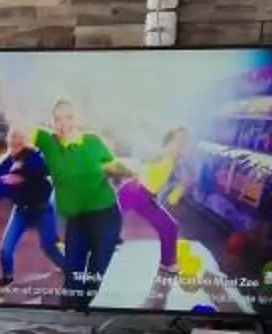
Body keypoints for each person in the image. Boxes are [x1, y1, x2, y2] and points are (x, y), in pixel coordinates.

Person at [41, 100, 131, 294]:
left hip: (106, 216)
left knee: (93, 278)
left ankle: (84, 311)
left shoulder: (93, 141)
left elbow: (113, 167)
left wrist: (128, 171)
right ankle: (69, 316)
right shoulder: (48, 142)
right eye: (58, 119)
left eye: (69, 117)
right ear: (52, 122)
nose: (64, 123)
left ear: (77, 118)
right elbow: (14, 119)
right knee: (72, 278)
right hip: (76, 220)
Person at [117, 123, 195, 309]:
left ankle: (167, 264)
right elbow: (148, 155)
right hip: (134, 191)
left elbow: (179, 183)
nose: (183, 143)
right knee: (108, 221)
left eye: (185, 140)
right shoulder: (166, 152)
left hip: (145, 196)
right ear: (171, 141)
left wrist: (181, 187)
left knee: (170, 226)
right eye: (179, 139)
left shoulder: (176, 159)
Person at [0, 129, 58, 284]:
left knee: (49, 247)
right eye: (12, 143)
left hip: (42, 209)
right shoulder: (5, 163)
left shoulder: (36, 158)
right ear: (8, 143)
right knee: (5, 250)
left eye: (19, 143)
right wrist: (3, 181)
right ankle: (8, 276)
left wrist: (23, 176)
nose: (15, 146)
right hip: (21, 211)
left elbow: (44, 173)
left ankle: (70, 270)